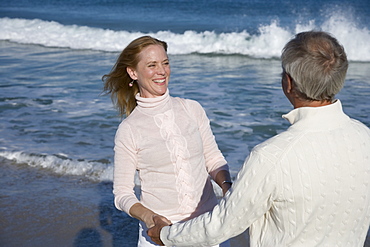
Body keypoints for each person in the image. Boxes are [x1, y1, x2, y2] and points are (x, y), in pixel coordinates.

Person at [147, 31, 370, 246]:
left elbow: (220, 225)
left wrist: (166, 234)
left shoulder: (271, 156)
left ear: (289, 83)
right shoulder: (365, 138)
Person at [102, 35, 232, 247]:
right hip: (161, 235)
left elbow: (214, 159)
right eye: (152, 65)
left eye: (165, 63)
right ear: (133, 72)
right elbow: (122, 194)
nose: (161, 71)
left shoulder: (192, 109)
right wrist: (152, 219)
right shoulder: (129, 129)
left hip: (209, 226)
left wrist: (227, 187)